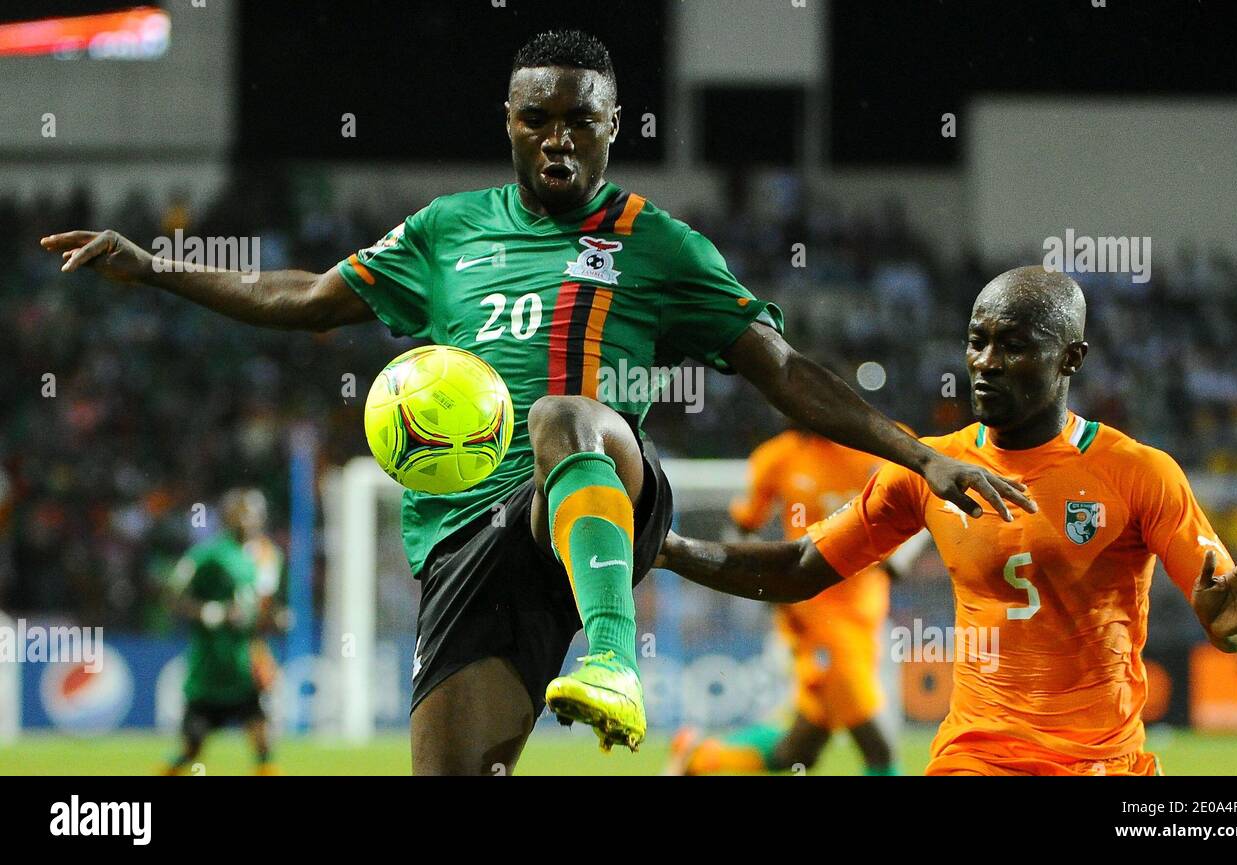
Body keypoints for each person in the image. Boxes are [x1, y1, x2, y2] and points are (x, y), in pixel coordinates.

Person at [41, 31, 1031, 775]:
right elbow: (304, 300)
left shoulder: (658, 243)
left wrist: (919, 453)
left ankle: (611, 654)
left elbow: (782, 368)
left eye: (580, 123)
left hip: (599, 484)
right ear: (509, 122)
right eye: (536, 120)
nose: (557, 142)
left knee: (563, 414)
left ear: (612, 129)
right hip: (468, 538)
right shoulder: (446, 230)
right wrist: (158, 267)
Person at [659, 266, 1237, 775]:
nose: (985, 361)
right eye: (978, 341)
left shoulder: (1138, 472)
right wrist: (669, 548)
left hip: (1105, 763)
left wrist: (1231, 630)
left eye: (1013, 346)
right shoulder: (931, 468)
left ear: (1071, 358)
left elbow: (1225, 606)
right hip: (977, 757)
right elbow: (800, 566)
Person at [668, 425, 926, 776]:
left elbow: (927, 503)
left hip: (865, 616)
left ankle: (699, 759)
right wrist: (771, 586)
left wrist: (904, 554)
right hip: (816, 619)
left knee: (800, 751)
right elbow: (742, 528)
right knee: (877, 743)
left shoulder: (885, 443)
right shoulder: (778, 457)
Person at [163, 489, 286, 776]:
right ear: (229, 515)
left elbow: (264, 609)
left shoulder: (268, 556)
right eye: (245, 512)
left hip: (243, 670)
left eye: (257, 512)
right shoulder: (208, 554)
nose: (252, 519)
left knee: (263, 745)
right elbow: (171, 596)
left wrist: (277, 618)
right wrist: (210, 612)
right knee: (191, 749)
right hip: (208, 672)